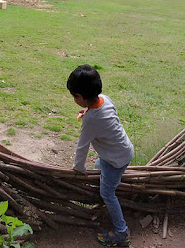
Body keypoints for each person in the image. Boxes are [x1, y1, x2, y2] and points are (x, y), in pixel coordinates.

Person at [68, 64, 134, 247]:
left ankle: (122, 232)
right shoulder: (105, 99)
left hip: (116, 159)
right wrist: (88, 112)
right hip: (122, 149)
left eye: (74, 96)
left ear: (80, 97)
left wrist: (79, 169)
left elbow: (82, 147)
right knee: (100, 167)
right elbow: (106, 117)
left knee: (107, 192)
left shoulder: (91, 120)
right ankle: (106, 198)